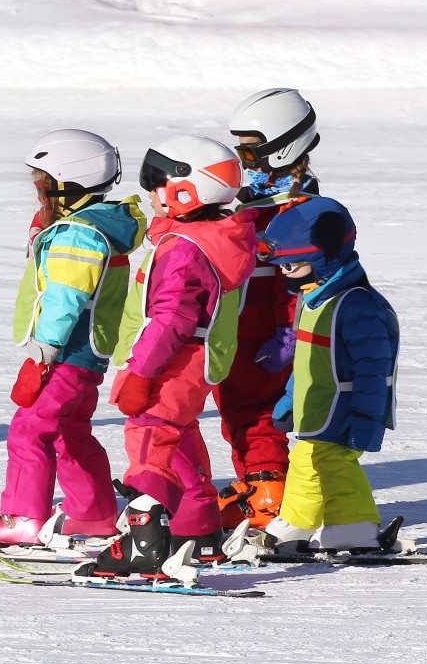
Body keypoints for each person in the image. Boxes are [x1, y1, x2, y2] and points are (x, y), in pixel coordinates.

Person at [78, 135, 256, 580]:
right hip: (195, 360)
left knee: (150, 442)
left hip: (171, 361)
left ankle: (144, 543)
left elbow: (170, 318)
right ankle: (199, 530)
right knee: (177, 440)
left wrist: (140, 372)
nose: (151, 194)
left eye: (157, 182)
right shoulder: (212, 236)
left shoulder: (183, 248)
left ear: (187, 188)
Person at [0, 130, 145, 548]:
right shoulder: (88, 226)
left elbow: (65, 297)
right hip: (84, 355)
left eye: (43, 182)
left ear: (72, 181)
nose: (37, 190)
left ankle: (23, 517)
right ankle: (93, 514)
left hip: (66, 353)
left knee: (30, 431)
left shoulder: (78, 234)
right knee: (70, 432)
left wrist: (42, 353)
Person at [252, 197, 400, 552]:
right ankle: (342, 527)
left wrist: (368, 416)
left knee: (321, 462)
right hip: (318, 407)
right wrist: (290, 400)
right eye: (282, 267)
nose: (285, 274)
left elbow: (374, 369)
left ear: (323, 259)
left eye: (293, 266)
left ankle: (306, 527)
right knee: (319, 463)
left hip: (346, 408)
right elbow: (306, 360)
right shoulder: (313, 297)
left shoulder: (356, 305)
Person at [213, 88, 322, 531]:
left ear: (284, 148)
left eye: (251, 151)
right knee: (237, 410)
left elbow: (304, 278)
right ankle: (260, 485)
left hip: (265, 332)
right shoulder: (255, 199)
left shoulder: (300, 208)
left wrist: (289, 333)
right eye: (240, 150)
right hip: (238, 326)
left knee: (256, 412)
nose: (245, 162)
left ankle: (268, 495)